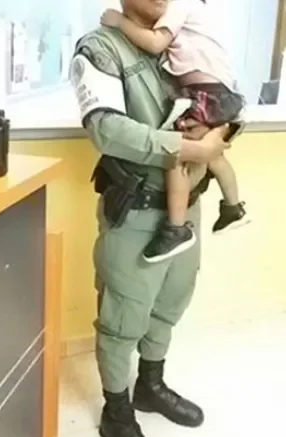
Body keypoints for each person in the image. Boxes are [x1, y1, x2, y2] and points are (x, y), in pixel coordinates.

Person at [70, 0, 237, 437]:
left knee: (171, 303)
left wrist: (220, 133)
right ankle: (117, 413)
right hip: (138, 211)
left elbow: (222, 98)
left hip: (186, 207)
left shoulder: (181, 41)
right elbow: (105, 130)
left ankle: (150, 385)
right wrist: (187, 148)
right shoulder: (100, 47)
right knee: (124, 317)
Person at [101, 0, 249, 263]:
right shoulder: (103, 45)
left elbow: (155, 43)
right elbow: (106, 129)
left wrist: (119, 21)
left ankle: (176, 229)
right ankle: (233, 206)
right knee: (206, 152)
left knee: (178, 153)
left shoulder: (179, 11)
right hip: (218, 93)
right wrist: (207, 142)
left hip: (206, 94)